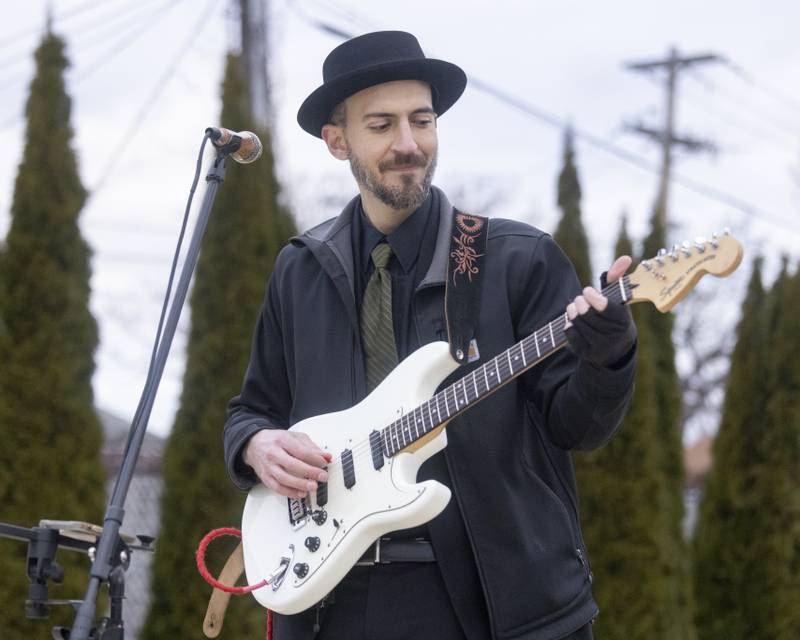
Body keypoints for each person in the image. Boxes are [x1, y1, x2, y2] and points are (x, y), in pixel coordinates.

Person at [224, 30, 637, 640]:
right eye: (382, 125)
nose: (408, 144)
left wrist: (610, 355)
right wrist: (256, 446)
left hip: (493, 607)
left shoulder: (516, 258)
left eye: (422, 120)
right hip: (331, 604)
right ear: (338, 141)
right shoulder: (300, 270)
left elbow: (579, 427)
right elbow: (252, 410)